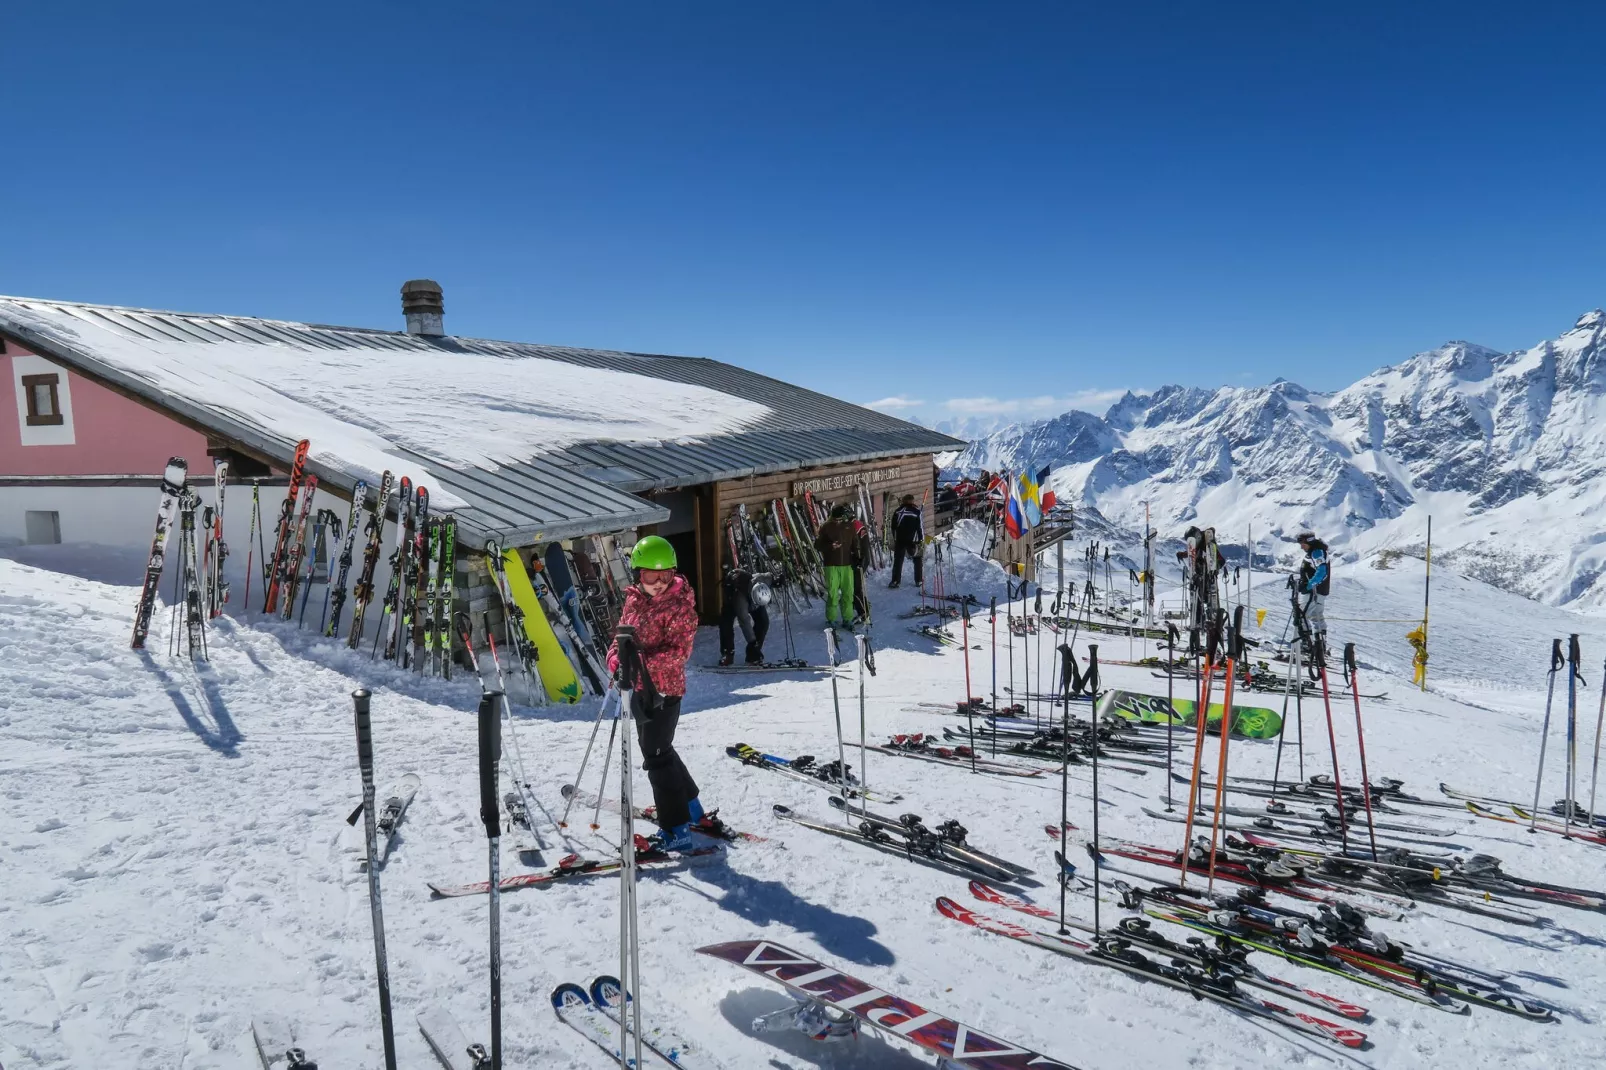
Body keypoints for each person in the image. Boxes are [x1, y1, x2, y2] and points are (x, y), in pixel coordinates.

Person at [606, 535, 712, 851]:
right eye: (652, 576)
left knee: (655, 756)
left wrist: (637, 663)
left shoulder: (681, 607)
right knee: (660, 749)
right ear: (640, 574)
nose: (659, 582)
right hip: (638, 689)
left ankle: (676, 827)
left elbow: (678, 652)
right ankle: (692, 808)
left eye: (665, 575)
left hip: (665, 691)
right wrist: (615, 658)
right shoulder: (634, 600)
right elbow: (621, 636)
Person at [718, 561, 771, 665]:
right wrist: (752, 642)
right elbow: (744, 622)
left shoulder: (762, 581)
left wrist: (779, 579)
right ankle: (727, 654)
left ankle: (752, 655)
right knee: (725, 624)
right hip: (732, 596)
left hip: (751, 597)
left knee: (763, 621)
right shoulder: (740, 601)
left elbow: (770, 576)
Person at [814, 504, 857, 629]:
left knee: (848, 593)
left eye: (841, 519)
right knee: (833, 595)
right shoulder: (826, 527)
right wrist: (830, 547)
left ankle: (847, 619)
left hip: (847, 564)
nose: (839, 521)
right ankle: (831, 619)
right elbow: (818, 545)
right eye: (837, 519)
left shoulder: (850, 526)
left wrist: (858, 558)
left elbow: (855, 543)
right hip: (831, 564)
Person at [1295, 531, 1330, 650]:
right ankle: (1320, 645)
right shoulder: (1317, 551)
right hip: (1320, 591)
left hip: (1313, 592)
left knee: (1304, 615)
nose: (1301, 546)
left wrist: (1308, 586)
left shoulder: (1316, 553)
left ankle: (1308, 645)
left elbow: (1321, 571)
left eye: (1303, 543)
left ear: (1309, 542)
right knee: (1317, 616)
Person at [888, 493, 925, 589]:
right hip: (913, 540)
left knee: (898, 560)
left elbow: (893, 527)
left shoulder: (898, 511)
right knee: (917, 559)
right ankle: (919, 580)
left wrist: (895, 538)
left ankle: (895, 581)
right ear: (912, 501)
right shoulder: (917, 511)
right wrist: (921, 540)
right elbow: (920, 527)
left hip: (900, 539)